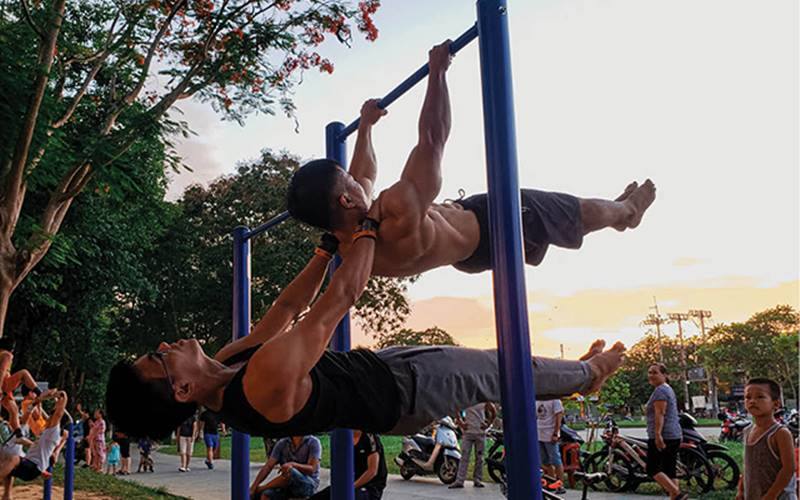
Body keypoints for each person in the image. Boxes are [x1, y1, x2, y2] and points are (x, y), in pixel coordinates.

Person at [106, 217, 625, 442]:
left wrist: (327, 249)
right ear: (180, 388)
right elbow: (336, 304)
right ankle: (586, 373)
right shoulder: (259, 385)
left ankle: (573, 373)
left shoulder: (232, 359)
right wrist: (366, 234)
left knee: (480, 360)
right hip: (403, 397)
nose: (163, 346)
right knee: (492, 366)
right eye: (158, 359)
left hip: (383, 368)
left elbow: (287, 308)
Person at [286, 42, 657, 278]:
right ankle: (626, 213)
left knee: (559, 215)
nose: (354, 178)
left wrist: (365, 128)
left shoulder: (353, 240)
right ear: (345, 199)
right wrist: (438, 73)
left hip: (465, 241)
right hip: (489, 226)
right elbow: (432, 141)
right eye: (346, 180)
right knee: (565, 209)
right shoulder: (394, 216)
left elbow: (363, 176)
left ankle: (616, 214)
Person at [737, 378, 797, 500]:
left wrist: (771, 495)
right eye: (748, 397)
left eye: (760, 397)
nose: (752, 401)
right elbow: (748, 466)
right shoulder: (748, 431)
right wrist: (741, 489)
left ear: (776, 404)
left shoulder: (780, 433)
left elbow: (789, 469)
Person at [0, 390, 68, 492]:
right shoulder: (47, 432)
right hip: (30, 466)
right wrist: (39, 401)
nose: (48, 418)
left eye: (50, 416)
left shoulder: (53, 431)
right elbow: (29, 413)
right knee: (9, 471)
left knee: (14, 459)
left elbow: (58, 413)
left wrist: (62, 395)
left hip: (33, 468)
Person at [645, 363, 687, 500]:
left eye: (655, 372)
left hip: (665, 435)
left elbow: (660, 413)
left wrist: (657, 435)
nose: (651, 375)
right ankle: (674, 496)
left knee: (652, 469)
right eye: (650, 372)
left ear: (664, 375)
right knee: (670, 470)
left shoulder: (660, 391)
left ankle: (678, 494)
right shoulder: (667, 389)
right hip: (674, 434)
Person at [311, 430, 387, 500]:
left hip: (370, 487)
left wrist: (350, 487)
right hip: (349, 483)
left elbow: (372, 471)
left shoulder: (370, 437)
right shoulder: (342, 436)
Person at [250, 435, 321, 500]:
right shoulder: (282, 443)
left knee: (289, 470)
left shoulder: (313, 442)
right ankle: (258, 490)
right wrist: (254, 486)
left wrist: (293, 464)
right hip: (287, 486)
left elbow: (312, 469)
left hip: (308, 484)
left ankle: (260, 489)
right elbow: (268, 466)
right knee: (266, 495)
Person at [449, 402, 496, 489]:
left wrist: (488, 424)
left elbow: (493, 410)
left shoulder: (483, 400)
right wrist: (460, 422)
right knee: (464, 457)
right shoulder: (467, 399)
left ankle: (477, 480)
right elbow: (456, 408)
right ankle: (459, 481)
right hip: (468, 433)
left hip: (480, 433)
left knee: (479, 458)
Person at [536, 398, 566, 494]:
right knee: (545, 461)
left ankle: (560, 485)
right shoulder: (537, 399)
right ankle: (551, 482)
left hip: (550, 434)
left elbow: (559, 416)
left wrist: (556, 433)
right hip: (539, 433)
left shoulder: (555, 400)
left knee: (555, 460)